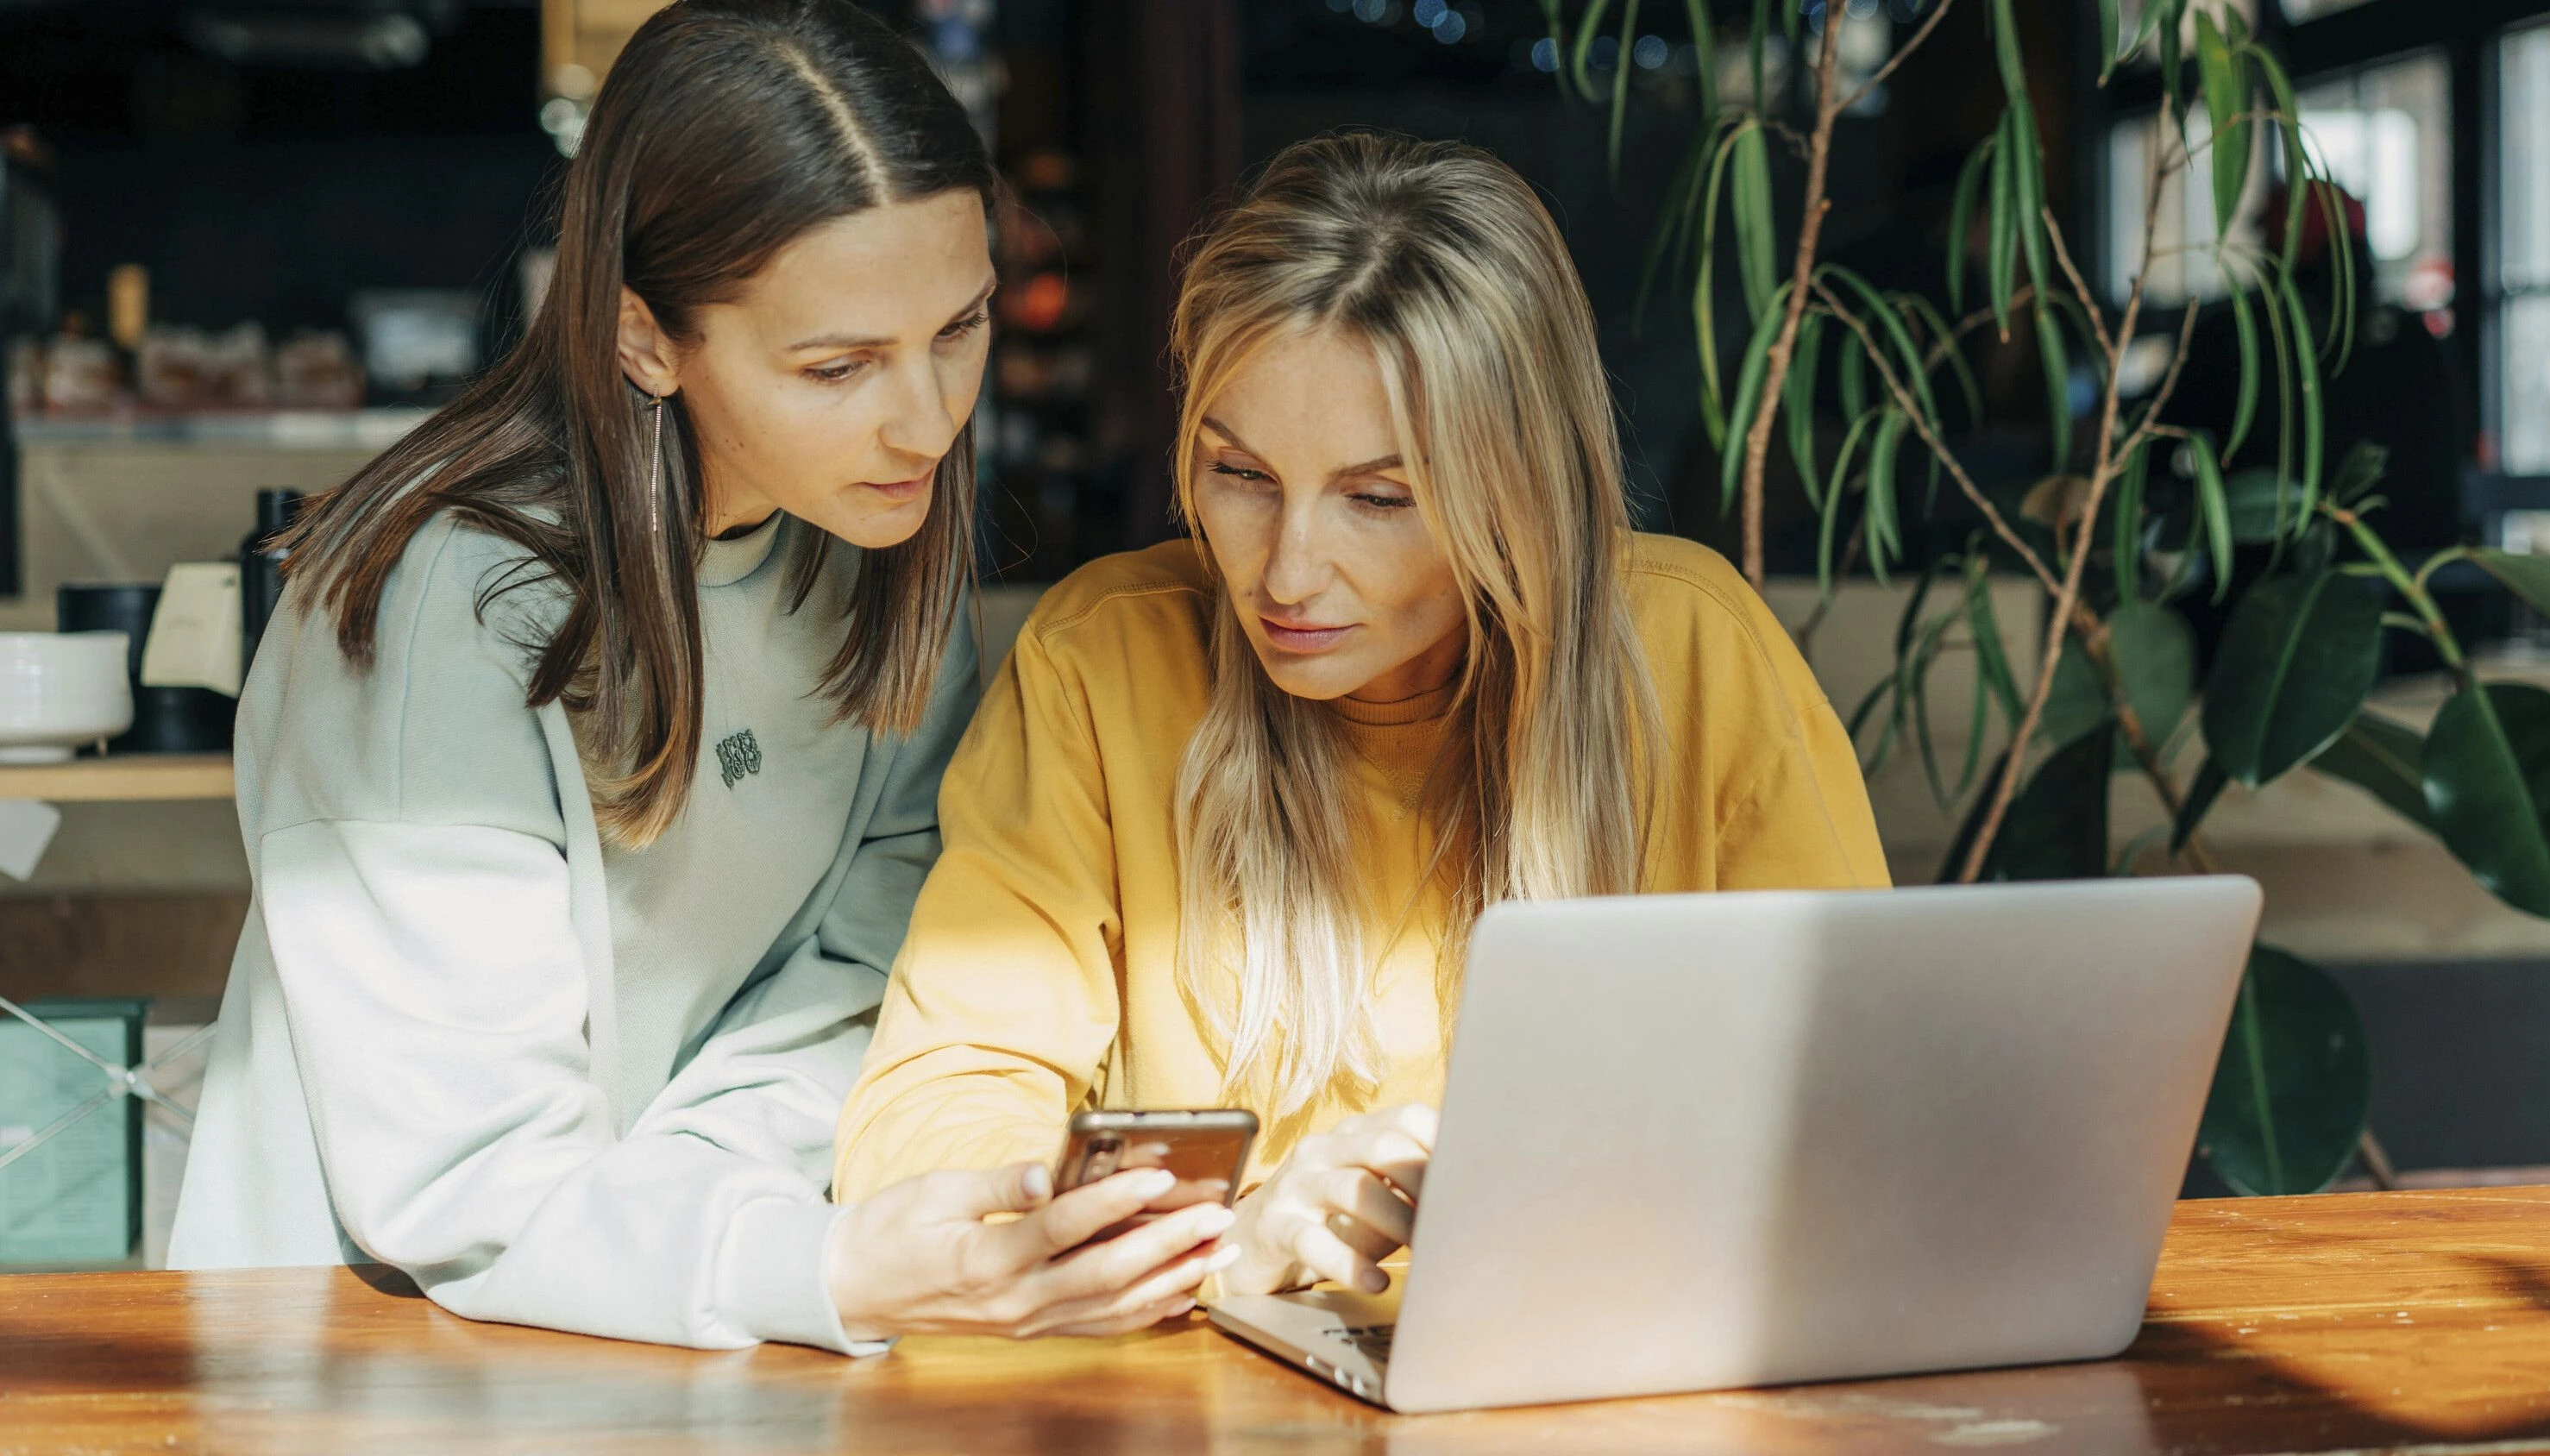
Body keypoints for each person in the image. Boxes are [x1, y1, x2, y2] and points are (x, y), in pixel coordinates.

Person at [170, 0, 1232, 1352]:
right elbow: (461, 1185)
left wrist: (723, 1231)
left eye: (958, 329)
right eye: (837, 364)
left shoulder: (869, 539)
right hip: (370, 1359)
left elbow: (862, 966)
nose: (927, 419)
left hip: (682, 1323)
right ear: (641, 338)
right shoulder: (443, 605)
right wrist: (816, 1264)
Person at [833, 133, 1888, 1302]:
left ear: (1519, 493)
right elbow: (930, 1128)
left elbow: (1866, 1099)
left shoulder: (1692, 653)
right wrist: (1223, 1249)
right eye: (1240, 477)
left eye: (1378, 499)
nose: (1286, 575)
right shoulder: (1104, 665)